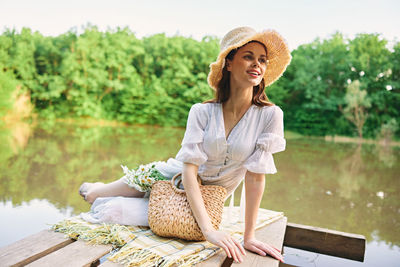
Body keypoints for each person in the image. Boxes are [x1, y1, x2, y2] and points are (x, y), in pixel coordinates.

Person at [79, 26, 291, 264]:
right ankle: (95, 187)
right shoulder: (201, 112)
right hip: (169, 176)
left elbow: (255, 178)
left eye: (262, 60)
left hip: (208, 198)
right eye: (248, 57)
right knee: (94, 196)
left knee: (111, 212)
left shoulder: (270, 116)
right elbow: (189, 171)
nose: (257, 65)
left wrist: (249, 237)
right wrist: (209, 231)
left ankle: (123, 198)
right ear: (229, 64)